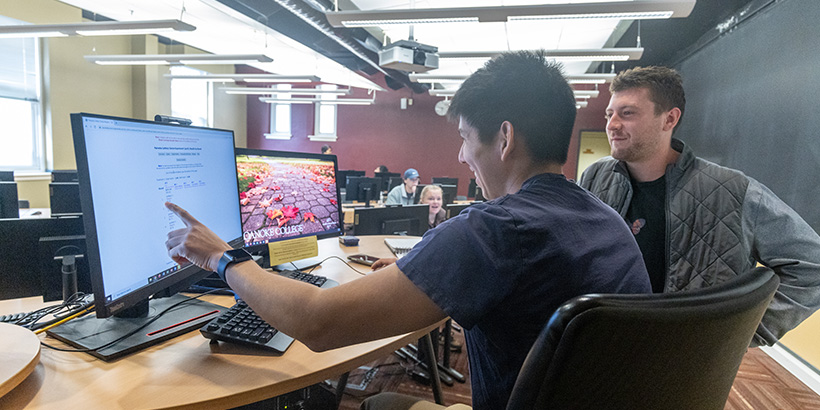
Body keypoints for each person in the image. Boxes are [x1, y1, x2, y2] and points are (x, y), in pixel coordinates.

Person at [165, 51, 650, 410]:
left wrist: (223, 258)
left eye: (463, 138)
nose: (461, 157)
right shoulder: (603, 217)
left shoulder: (494, 231)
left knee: (377, 405)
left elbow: (317, 322)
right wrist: (424, 274)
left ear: (504, 139)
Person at [579, 66, 820, 347]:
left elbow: (811, 266)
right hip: (604, 346)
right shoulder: (595, 178)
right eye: (610, 114)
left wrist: (740, 331)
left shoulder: (732, 191)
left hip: (685, 360)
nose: (612, 124)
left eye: (627, 113)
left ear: (669, 118)